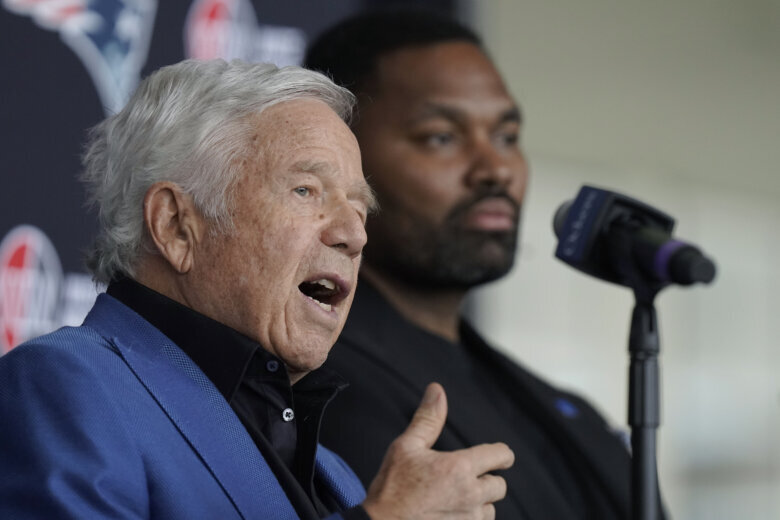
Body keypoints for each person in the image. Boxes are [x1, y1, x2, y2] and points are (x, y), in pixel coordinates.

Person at [0, 59, 515, 520]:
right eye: (306, 191)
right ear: (176, 226)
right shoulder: (61, 386)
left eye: (359, 208)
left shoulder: (334, 474)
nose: (354, 235)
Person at [305, 9, 644, 519]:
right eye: (440, 137)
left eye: (506, 137)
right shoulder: (315, 390)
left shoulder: (559, 407)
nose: (495, 170)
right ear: (337, 158)